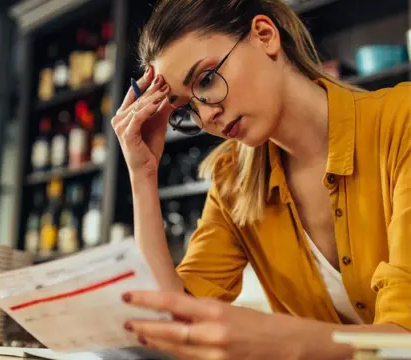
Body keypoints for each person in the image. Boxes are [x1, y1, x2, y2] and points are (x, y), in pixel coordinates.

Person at [110, 0, 411, 359]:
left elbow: (403, 338)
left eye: (206, 79)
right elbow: (174, 323)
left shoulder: (402, 124)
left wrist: (284, 341)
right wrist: (142, 175)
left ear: (265, 36)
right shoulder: (233, 183)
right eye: (186, 108)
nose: (207, 114)